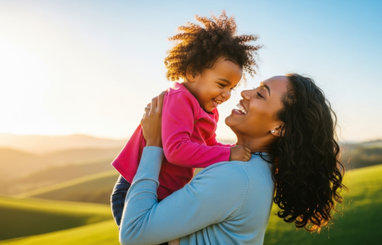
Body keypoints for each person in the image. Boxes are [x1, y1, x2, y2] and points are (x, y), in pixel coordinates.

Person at [119, 74, 345, 245]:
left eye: (260, 94)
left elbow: (133, 233)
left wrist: (154, 144)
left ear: (279, 127)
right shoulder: (254, 169)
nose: (245, 93)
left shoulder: (236, 177)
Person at [110, 12, 260, 226]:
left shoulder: (207, 108)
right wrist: (228, 154)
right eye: (221, 84)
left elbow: (208, 147)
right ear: (192, 72)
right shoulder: (180, 99)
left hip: (165, 194)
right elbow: (177, 150)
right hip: (134, 191)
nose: (227, 94)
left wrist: (234, 151)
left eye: (231, 88)